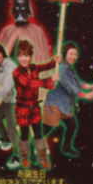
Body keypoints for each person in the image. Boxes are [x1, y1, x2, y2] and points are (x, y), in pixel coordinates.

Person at [42, 41, 93, 159]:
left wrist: (91, 86)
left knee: (72, 126)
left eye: (75, 54)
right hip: (54, 104)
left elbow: (77, 82)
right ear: (65, 54)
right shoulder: (62, 68)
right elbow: (70, 88)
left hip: (64, 105)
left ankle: (66, 147)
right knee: (46, 129)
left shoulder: (69, 68)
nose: (73, 56)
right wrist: (86, 95)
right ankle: (30, 144)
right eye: (71, 54)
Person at [10, 39, 58, 169]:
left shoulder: (34, 68)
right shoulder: (17, 73)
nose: (23, 59)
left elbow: (46, 66)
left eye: (26, 55)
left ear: (30, 56)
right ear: (17, 57)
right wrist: (50, 80)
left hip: (35, 108)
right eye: (20, 56)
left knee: (38, 134)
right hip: (22, 110)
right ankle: (24, 156)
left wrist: (55, 62)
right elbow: (29, 83)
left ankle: (43, 158)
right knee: (24, 135)